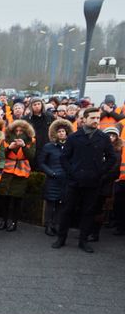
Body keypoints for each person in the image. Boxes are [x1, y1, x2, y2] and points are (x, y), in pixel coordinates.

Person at [53, 107, 116, 253]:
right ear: (84, 119)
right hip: (74, 181)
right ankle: (61, 238)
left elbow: (111, 158)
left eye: (97, 118)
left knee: (88, 212)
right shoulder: (74, 137)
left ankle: (83, 240)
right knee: (67, 210)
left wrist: (100, 172)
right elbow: (64, 158)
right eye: (93, 118)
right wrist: (71, 172)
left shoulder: (103, 137)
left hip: (93, 182)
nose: (96, 121)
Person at [0, 120, 36, 232]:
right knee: (4, 197)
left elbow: (31, 156)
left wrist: (24, 146)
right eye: (16, 130)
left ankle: (14, 222)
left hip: (21, 172)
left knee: (17, 199)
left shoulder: (31, 140)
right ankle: (4, 220)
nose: (18, 132)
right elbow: (1, 155)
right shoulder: (6, 139)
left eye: (21, 130)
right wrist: (9, 147)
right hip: (7, 171)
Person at [37, 119, 72, 236]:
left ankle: (56, 225)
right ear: (55, 133)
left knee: (61, 204)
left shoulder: (71, 146)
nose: (61, 133)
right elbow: (41, 162)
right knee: (50, 203)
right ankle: (48, 225)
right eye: (59, 131)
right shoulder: (49, 146)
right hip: (53, 179)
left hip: (66, 180)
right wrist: (51, 173)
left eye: (63, 131)